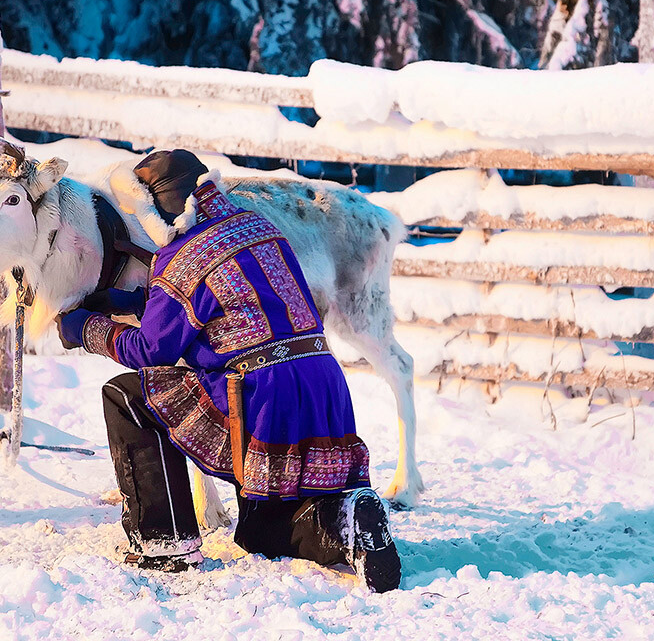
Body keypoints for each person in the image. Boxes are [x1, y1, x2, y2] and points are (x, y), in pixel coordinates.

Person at [56, 149, 401, 592]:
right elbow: (234, 301)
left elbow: (152, 350)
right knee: (260, 532)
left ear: (156, 211)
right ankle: (345, 522)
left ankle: (166, 542)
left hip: (259, 393)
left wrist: (86, 329)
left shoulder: (182, 257)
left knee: (126, 398)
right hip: (321, 382)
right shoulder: (259, 228)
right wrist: (134, 303)